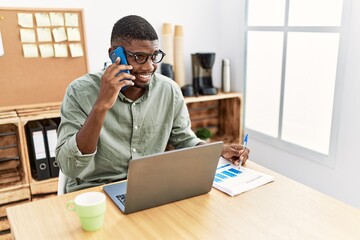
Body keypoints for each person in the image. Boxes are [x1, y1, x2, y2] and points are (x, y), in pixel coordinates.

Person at [55, 15, 250, 193]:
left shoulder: (169, 90)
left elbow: (184, 141)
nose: (149, 67)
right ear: (115, 54)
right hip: (95, 191)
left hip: (148, 189)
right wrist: (101, 105)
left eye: (154, 56)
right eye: (139, 57)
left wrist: (218, 150)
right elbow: (70, 167)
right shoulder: (79, 92)